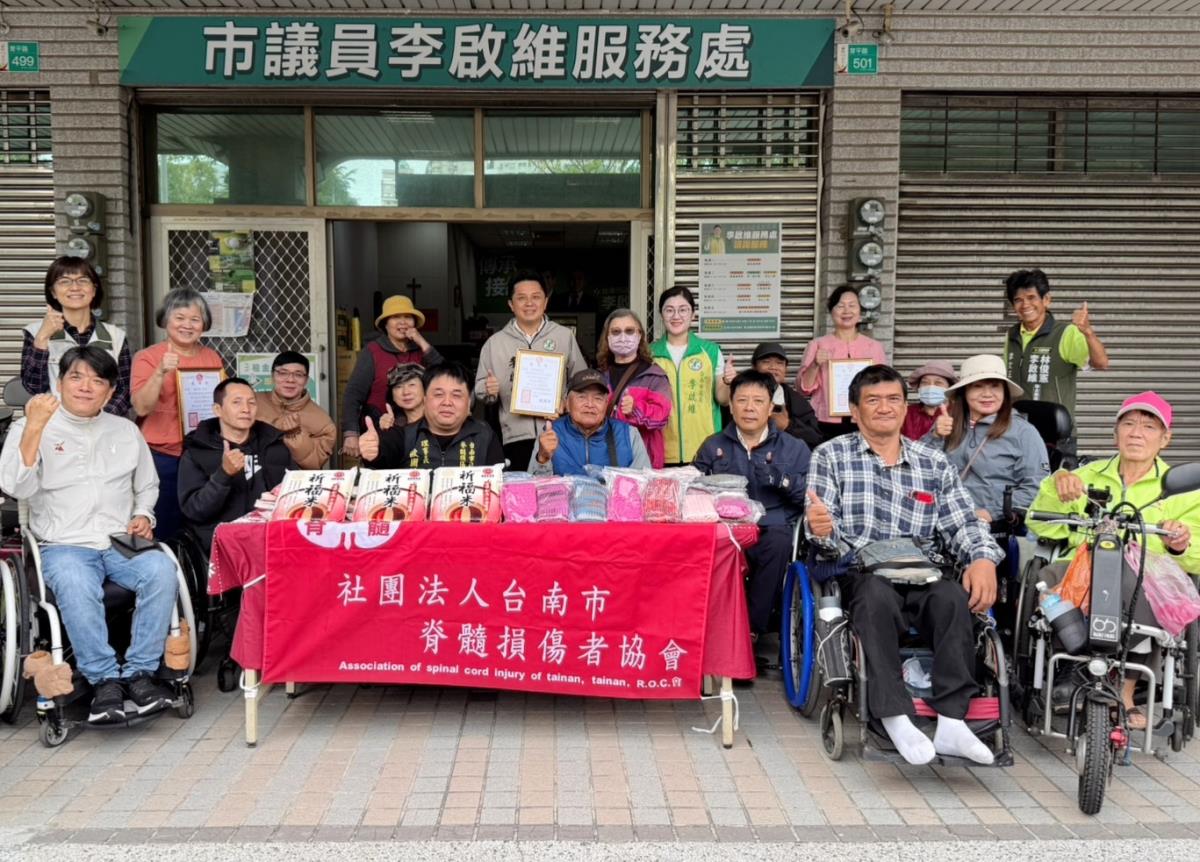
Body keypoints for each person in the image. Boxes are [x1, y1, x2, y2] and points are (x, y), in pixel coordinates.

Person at [805, 365, 1003, 765]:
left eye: (893, 399)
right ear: (855, 411)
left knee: (952, 599)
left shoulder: (933, 461)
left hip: (924, 568)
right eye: (873, 400)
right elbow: (823, 532)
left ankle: (952, 721)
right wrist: (821, 529)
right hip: (864, 569)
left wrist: (983, 558)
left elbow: (963, 522)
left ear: (904, 406)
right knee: (874, 600)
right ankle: (894, 715)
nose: (884, 408)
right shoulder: (830, 455)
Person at [0, 346, 178, 724]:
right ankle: (103, 679)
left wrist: (142, 513)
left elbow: (147, 485)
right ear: (60, 382)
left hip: (118, 540)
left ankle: (140, 672)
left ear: (110, 392)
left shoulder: (125, 430)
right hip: (63, 543)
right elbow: (15, 486)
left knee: (162, 570)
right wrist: (33, 428)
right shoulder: (31, 426)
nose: (85, 387)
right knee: (75, 582)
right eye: (76, 377)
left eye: (97, 381)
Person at [1026, 391, 1200, 730]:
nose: (1136, 433)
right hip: (1079, 565)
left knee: (1134, 584)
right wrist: (1057, 484)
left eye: (1149, 427)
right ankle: (1074, 665)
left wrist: (1180, 544)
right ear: (1115, 433)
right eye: (1129, 424)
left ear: (1165, 439)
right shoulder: (1086, 475)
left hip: (1146, 576)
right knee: (1045, 582)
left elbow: (1195, 556)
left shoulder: (1183, 490)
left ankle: (1125, 690)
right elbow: (1038, 522)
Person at [693, 370, 811, 670]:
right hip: (725, 528)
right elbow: (693, 491)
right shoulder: (712, 445)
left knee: (779, 542)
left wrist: (782, 480)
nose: (749, 408)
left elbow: (810, 498)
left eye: (758, 401)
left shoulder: (794, 447)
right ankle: (713, 631)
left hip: (772, 527)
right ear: (731, 406)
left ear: (770, 407)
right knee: (709, 547)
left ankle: (750, 630)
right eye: (742, 400)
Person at [131, 288, 225, 542]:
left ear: (204, 324)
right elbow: (141, 407)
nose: (187, 325)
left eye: (195, 319)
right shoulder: (148, 357)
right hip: (162, 455)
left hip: (202, 451)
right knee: (164, 524)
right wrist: (160, 372)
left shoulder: (211, 357)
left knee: (202, 521)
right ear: (166, 320)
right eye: (180, 318)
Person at [475, 272, 586, 471]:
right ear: (511, 304)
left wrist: (567, 401)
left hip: (559, 432)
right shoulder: (495, 343)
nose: (529, 303)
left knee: (560, 487)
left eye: (536, 297)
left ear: (546, 302)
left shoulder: (564, 336)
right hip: (515, 436)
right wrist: (487, 388)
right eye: (521, 298)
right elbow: (480, 389)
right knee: (521, 488)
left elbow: (581, 381)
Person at [927, 355, 1049, 523]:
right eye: (977, 386)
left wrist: (990, 513)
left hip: (992, 525)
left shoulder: (1024, 432)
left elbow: (1037, 486)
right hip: (942, 517)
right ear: (965, 392)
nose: (987, 394)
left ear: (1004, 392)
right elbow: (917, 469)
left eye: (995, 386)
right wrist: (934, 436)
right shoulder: (949, 423)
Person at [178, 377, 293, 551]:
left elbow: (294, 490)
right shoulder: (198, 451)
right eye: (236, 402)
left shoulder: (273, 445)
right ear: (218, 410)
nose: (246, 409)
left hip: (270, 538)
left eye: (251, 403)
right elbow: (195, 510)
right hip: (222, 543)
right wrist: (223, 474)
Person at [1002, 269, 1109, 435]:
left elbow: (1101, 363)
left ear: (1046, 300)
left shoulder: (1066, 333)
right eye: (1018, 300)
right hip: (1017, 432)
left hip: (1055, 433)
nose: (1025, 305)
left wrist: (1088, 332)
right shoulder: (1012, 335)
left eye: (1031, 297)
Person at [22, 256, 132, 418]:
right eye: (64, 281)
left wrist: (99, 418)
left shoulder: (116, 336)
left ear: (94, 290)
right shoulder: (36, 332)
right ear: (53, 292)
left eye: (83, 280)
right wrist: (42, 339)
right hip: (54, 423)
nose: (75, 287)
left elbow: (125, 389)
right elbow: (34, 387)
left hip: (103, 424)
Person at [341, 295, 442, 458]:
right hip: (382, 434)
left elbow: (445, 376)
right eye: (395, 317)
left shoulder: (420, 350)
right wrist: (351, 433)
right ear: (385, 324)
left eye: (407, 317)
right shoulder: (373, 351)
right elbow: (353, 394)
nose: (402, 322)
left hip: (420, 433)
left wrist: (421, 341)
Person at [360, 362, 504, 470]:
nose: (447, 402)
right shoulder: (404, 435)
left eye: (456, 395)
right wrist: (372, 451)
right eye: (438, 394)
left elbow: (498, 483)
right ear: (425, 400)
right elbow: (382, 456)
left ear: (468, 404)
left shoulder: (484, 435)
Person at [650, 287, 733, 466]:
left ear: (693, 315)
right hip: (662, 449)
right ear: (661, 315)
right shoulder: (649, 354)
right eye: (669, 310)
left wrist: (728, 381)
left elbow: (722, 399)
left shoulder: (710, 351)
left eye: (683, 310)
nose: (676, 316)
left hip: (705, 448)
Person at [796, 285, 888, 442]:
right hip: (825, 422)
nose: (846, 311)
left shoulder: (874, 347)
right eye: (840, 306)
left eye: (852, 305)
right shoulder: (817, 345)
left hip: (864, 419)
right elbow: (803, 388)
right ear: (831, 311)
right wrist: (815, 365)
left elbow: (883, 386)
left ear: (860, 311)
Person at [529, 369, 651, 476]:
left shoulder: (628, 434)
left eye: (598, 398)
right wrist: (542, 459)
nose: (590, 404)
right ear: (567, 403)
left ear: (606, 404)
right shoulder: (550, 433)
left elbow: (643, 485)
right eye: (581, 397)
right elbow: (533, 487)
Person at [595, 309, 672, 468]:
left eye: (629, 331)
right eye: (616, 332)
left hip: (641, 460)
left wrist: (636, 409)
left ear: (639, 335)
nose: (623, 337)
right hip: (605, 457)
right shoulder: (599, 376)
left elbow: (661, 416)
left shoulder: (654, 375)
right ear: (607, 337)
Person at [254, 351, 336, 470]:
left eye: (298, 375)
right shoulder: (253, 403)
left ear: (306, 380)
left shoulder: (323, 422)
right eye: (283, 373)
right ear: (272, 376)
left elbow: (314, 464)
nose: (290, 380)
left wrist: (295, 435)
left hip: (294, 480)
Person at [751, 342, 822, 450]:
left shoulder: (795, 401)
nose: (773, 367)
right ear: (754, 367)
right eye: (766, 362)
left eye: (779, 363)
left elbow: (816, 439)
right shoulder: (739, 396)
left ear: (786, 370)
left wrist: (788, 426)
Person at [901, 360, 957, 441]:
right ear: (919, 388)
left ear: (950, 388)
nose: (930, 387)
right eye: (925, 382)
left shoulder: (960, 414)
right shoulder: (906, 413)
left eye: (938, 383)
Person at [363, 362, 425, 433]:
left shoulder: (435, 419)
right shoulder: (393, 424)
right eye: (398, 387)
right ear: (392, 396)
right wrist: (383, 431)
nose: (406, 392)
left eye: (412, 385)